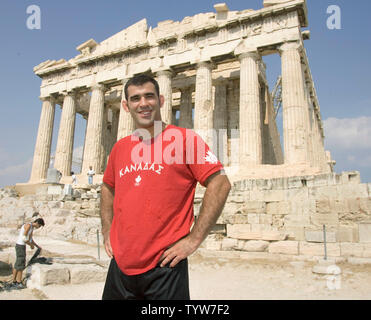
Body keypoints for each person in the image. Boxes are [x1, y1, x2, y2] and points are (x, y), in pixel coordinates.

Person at [100, 74, 231, 300]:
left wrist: (194, 239)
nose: (143, 103)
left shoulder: (185, 140)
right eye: (135, 98)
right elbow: (107, 188)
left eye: (149, 96)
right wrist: (106, 230)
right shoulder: (120, 148)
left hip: (165, 267)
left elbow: (220, 183)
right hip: (120, 266)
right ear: (126, 105)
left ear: (161, 100)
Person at [12, 218, 45, 289]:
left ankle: (15, 281)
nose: (38, 228)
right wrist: (31, 245)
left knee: (19, 263)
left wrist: (36, 246)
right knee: (20, 264)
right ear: (37, 223)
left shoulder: (31, 228)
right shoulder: (28, 226)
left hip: (22, 246)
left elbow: (30, 239)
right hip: (20, 246)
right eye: (39, 226)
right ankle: (18, 282)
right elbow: (24, 238)